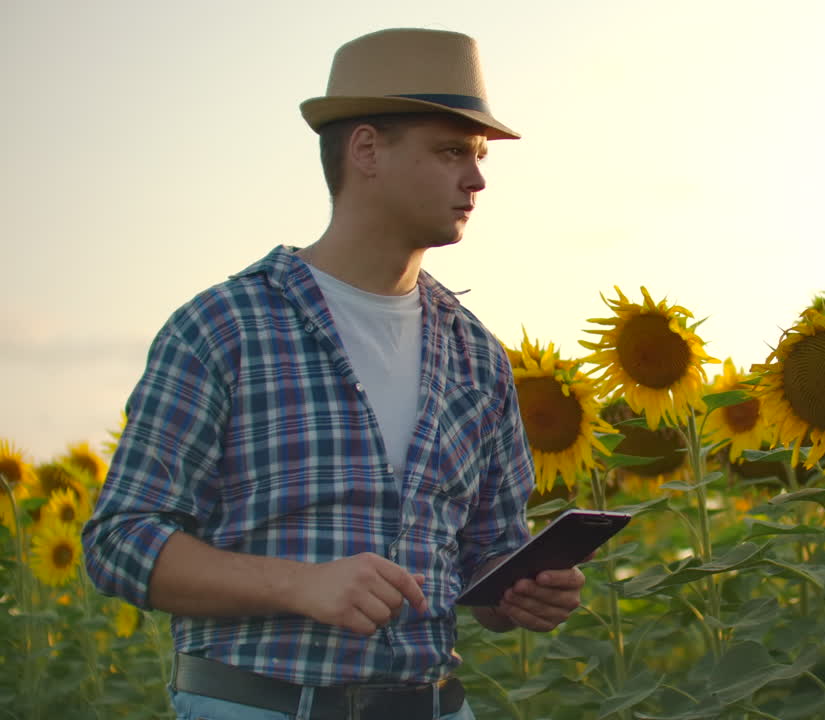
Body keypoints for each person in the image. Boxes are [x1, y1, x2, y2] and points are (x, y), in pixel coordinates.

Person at [82, 28, 584, 720]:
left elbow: (488, 557)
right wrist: (297, 585)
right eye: (450, 153)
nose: (477, 179)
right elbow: (120, 540)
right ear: (367, 150)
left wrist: (519, 594)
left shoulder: (478, 355)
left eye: (477, 157)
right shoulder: (224, 327)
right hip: (260, 706)